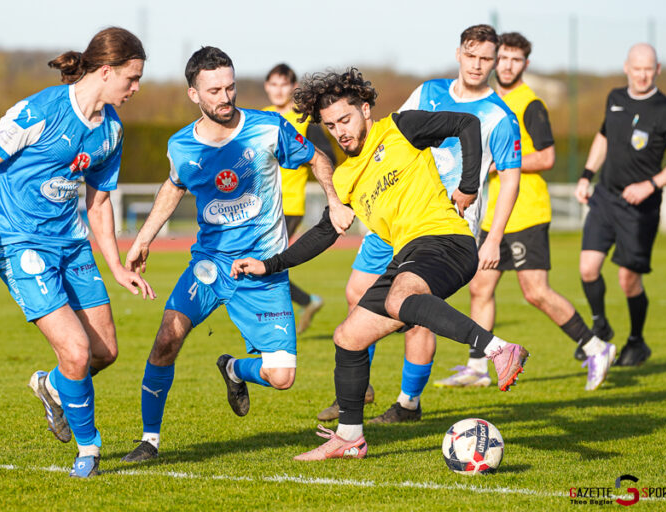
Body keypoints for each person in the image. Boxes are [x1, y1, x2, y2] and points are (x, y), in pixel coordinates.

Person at [231, 68, 531, 461]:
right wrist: (270, 265)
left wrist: (470, 184)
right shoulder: (345, 177)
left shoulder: (400, 128)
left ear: (366, 110)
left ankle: (497, 349)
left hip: (446, 241)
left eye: (346, 119)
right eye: (330, 125)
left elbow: (466, 123)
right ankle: (350, 437)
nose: (340, 130)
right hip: (407, 254)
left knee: (399, 298)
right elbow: (325, 233)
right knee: (348, 337)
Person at [120, 47, 352, 463]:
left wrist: (333, 200)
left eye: (230, 87)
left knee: (281, 378)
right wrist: (143, 239)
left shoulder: (268, 127)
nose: (225, 97)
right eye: (214, 90)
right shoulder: (182, 145)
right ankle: (149, 441)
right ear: (194, 94)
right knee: (165, 342)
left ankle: (232, 368)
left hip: (263, 271)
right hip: (209, 266)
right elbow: (174, 187)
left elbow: (317, 157)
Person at [0, 27, 154, 478]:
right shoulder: (42, 110)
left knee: (104, 352)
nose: (136, 88)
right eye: (132, 78)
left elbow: (99, 201)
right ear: (106, 72)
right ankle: (89, 450)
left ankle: (50, 386)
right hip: (19, 241)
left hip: (71, 243)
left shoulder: (111, 130)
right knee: (76, 351)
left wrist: (115, 264)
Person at [317, 24, 522, 423]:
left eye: (486, 59)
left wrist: (493, 235)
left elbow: (510, 178)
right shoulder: (427, 92)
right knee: (357, 292)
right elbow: (388, 132)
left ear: (495, 62)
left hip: (442, 220)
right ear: (459, 54)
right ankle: (360, 388)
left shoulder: (500, 115)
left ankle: (408, 402)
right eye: (472, 55)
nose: (478, 65)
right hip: (390, 212)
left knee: (412, 306)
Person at [435, 32, 615, 392]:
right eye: (503, 59)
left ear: (525, 65)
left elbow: (547, 157)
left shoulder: (529, 104)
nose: (507, 65)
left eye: (516, 60)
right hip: (491, 214)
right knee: (480, 288)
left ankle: (596, 346)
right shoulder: (485, 101)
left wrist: (501, 163)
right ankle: (477, 367)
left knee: (535, 292)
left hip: (526, 212)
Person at [577, 43, 666, 366]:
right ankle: (599, 327)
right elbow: (603, 137)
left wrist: (649, 185)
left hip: (640, 208)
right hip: (605, 197)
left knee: (628, 279)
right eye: (636, 68)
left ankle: (636, 342)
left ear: (657, 70)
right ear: (627, 67)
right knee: (587, 268)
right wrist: (586, 175)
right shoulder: (614, 98)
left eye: (648, 68)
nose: (642, 74)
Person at [263, 63, 338, 334]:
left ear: (293, 87)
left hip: (289, 204)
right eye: (273, 84)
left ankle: (277, 322)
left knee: (268, 263)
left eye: (283, 84)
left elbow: (326, 155)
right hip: (261, 205)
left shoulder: (304, 119)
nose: (278, 90)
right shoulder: (262, 117)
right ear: (266, 87)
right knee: (261, 261)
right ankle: (306, 302)